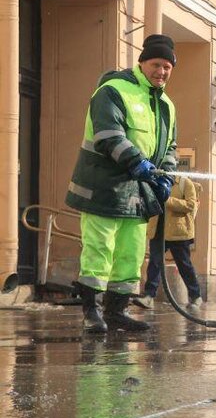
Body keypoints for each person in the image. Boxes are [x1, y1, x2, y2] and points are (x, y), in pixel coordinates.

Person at [68, 34, 178, 333]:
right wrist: (136, 161)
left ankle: (116, 310)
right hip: (103, 185)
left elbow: (170, 147)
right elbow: (107, 134)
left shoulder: (166, 104)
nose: (161, 72)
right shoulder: (113, 90)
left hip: (138, 191)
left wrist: (166, 175)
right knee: (99, 249)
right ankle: (91, 311)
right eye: (156, 64)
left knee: (131, 253)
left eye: (167, 67)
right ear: (142, 63)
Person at [135, 174, 202, 309]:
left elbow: (191, 205)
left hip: (178, 232)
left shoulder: (184, 183)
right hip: (157, 230)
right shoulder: (155, 181)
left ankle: (196, 296)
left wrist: (167, 200)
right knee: (154, 263)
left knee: (184, 265)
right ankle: (149, 296)